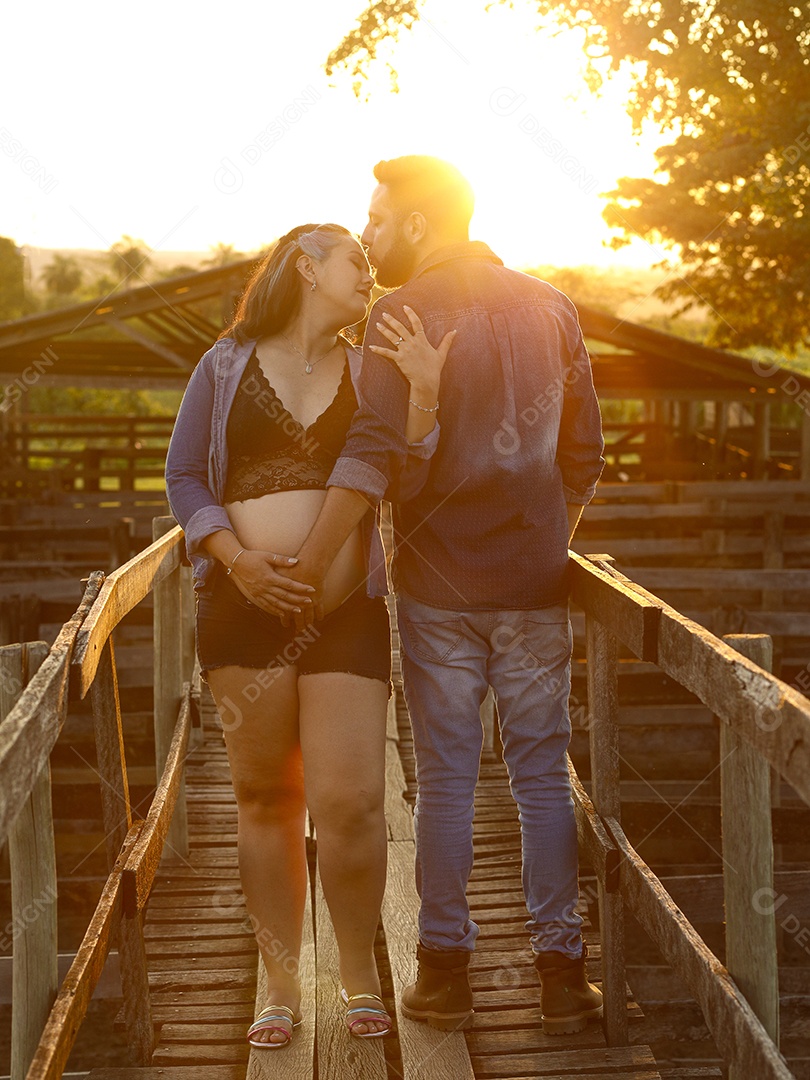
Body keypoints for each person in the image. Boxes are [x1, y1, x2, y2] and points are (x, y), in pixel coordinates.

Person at [283, 159, 606, 1035]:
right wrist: (545, 538)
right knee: (543, 778)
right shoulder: (553, 307)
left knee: (450, 783)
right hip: (536, 587)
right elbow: (585, 458)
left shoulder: (401, 313)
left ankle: (445, 973)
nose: (370, 233)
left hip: (434, 589)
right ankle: (563, 976)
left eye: (379, 218)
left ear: (421, 225)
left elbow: (388, 453)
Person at [165, 222, 453, 1049]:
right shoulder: (221, 367)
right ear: (307, 267)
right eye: (356, 264)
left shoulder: (371, 372)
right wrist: (238, 560)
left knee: (353, 802)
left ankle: (359, 973)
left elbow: (412, 475)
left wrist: (425, 391)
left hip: (345, 612)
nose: (371, 276)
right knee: (265, 800)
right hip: (239, 606)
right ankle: (281, 981)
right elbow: (184, 476)